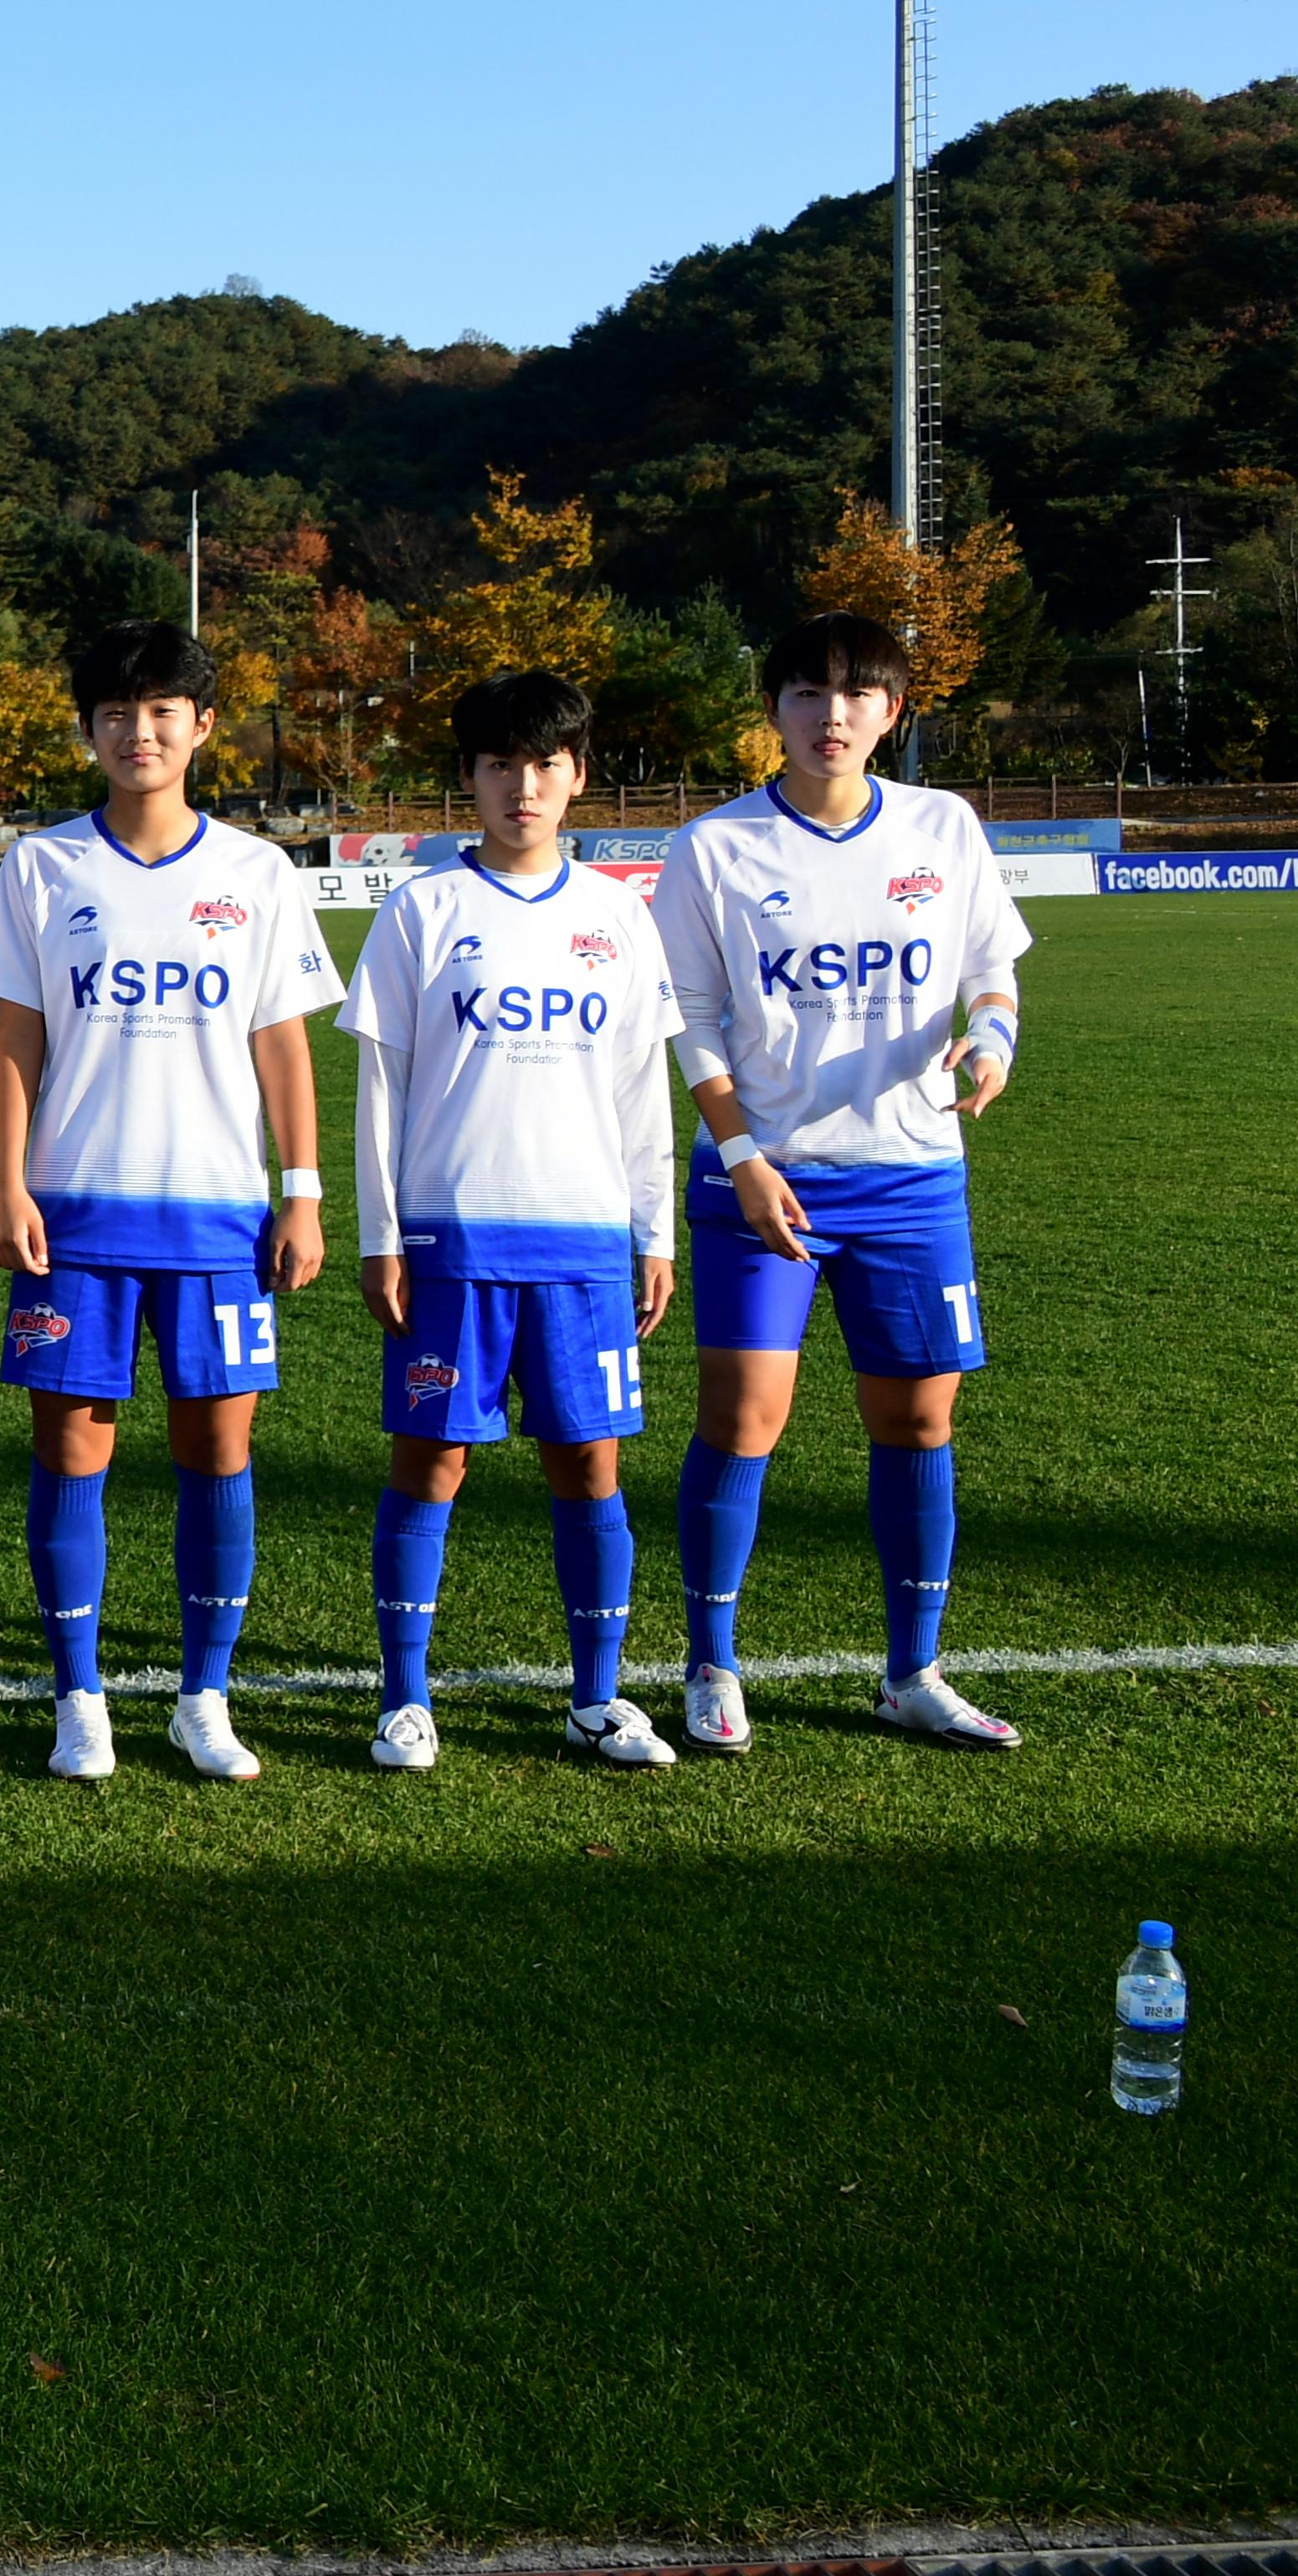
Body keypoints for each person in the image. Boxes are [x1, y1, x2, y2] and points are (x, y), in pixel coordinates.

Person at [649, 611, 1032, 1754]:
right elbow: (694, 1022)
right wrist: (740, 1155)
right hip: (766, 1184)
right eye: (809, 694)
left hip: (914, 1180)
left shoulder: (942, 828)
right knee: (745, 1417)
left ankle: (913, 1671)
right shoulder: (715, 849)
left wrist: (994, 1040)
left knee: (918, 1418)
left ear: (893, 712)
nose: (833, 715)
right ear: (774, 713)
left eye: (858, 694)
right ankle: (711, 1662)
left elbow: (990, 969)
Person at [0, 621, 341, 1784]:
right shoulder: (42, 868)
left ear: (202, 727)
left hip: (218, 1215)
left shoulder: (256, 873)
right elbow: (18, 1044)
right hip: (76, 1217)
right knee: (72, 1448)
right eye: (117, 715)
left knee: (217, 1446)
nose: (141, 734)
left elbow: (281, 1046)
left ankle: (204, 1693)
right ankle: (79, 1697)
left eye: (163, 713)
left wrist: (303, 1194)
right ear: (89, 732)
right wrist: (4, 1179)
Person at [339, 671, 681, 1772]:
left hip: (584, 1248)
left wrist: (654, 1229)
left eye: (543, 766)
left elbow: (641, 1088)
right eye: (498, 767)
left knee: (590, 1465)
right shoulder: (423, 910)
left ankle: (595, 1699)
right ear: (470, 782)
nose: (521, 787)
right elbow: (381, 1088)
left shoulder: (618, 917)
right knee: (431, 1462)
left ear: (578, 776)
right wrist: (382, 1234)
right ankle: (404, 1698)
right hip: (455, 1243)